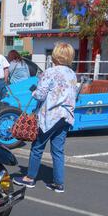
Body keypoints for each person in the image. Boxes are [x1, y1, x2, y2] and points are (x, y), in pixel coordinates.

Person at [13, 42, 77, 193]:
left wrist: (34, 92)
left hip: (50, 116)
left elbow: (40, 94)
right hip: (65, 116)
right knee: (58, 150)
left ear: (55, 55)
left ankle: (29, 178)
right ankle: (58, 183)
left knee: (37, 147)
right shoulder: (72, 74)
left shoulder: (50, 72)